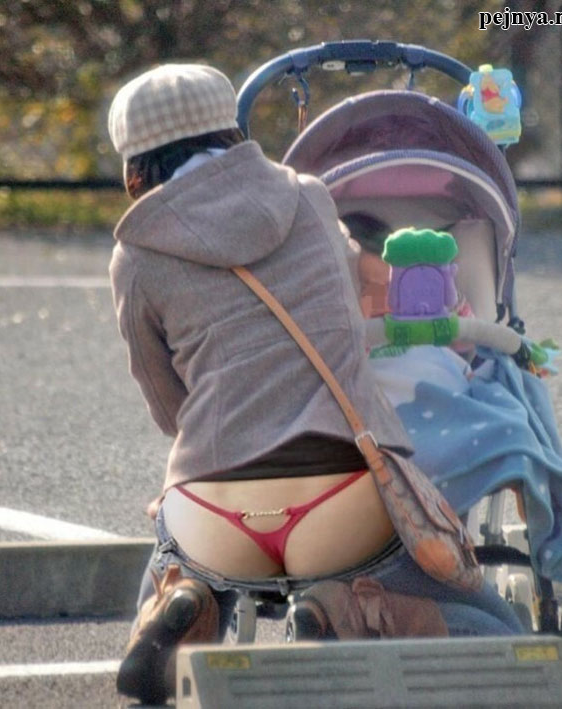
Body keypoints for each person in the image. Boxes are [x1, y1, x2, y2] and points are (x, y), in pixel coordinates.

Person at [107, 64, 523, 706]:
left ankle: (180, 601)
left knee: (179, 529)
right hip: (340, 498)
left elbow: (169, 410)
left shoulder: (135, 255)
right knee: (494, 624)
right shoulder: (307, 199)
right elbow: (345, 313)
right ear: (230, 131)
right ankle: (348, 611)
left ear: (135, 166)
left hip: (218, 512)